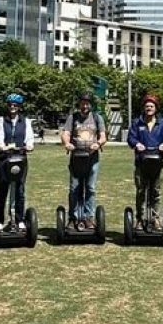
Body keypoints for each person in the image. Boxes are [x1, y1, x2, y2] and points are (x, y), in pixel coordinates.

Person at [61, 92, 107, 228]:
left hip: (92, 158)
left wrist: (98, 144)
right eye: (82, 103)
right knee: (75, 188)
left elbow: (103, 136)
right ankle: (73, 217)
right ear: (79, 104)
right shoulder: (72, 117)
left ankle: (89, 217)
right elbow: (66, 133)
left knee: (90, 188)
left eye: (87, 103)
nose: (85, 106)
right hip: (76, 157)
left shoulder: (97, 118)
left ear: (91, 105)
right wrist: (66, 143)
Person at [126, 94, 163, 229]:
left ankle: (155, 218)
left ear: (156, 108)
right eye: (147, 106)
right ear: (143, 108)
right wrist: (137, 144)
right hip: (141, 162)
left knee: (155, 192)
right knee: (141, 191)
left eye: (151, 106)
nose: (149, 108)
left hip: (158, 162)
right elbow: (131, 138)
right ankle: (140, 219)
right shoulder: (137, 122)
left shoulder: (162, 123)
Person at [0, 93, 35, 232]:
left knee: (19, 189)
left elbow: (29, 137)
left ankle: (19, 219)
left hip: (20, 158)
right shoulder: (1, 120)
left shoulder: (25, 121)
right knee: (3, 189)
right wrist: (2, 146)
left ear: (19, 107)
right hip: (4, 160)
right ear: (8, 106)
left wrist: (29, 145)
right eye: (10, 105)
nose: (13, 107)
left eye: (15, 105)